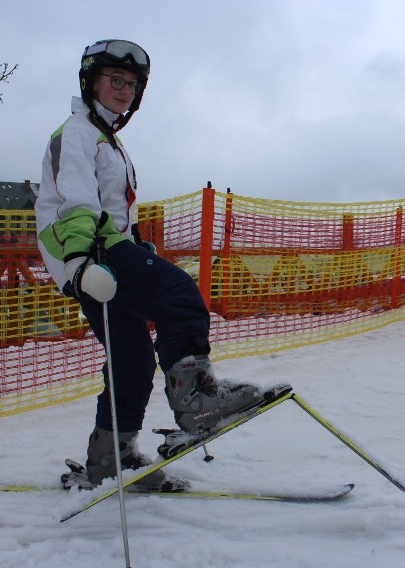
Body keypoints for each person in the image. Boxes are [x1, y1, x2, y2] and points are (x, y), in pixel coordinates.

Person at [34, 39, 289, 490]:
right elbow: (73, 203)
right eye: (115, 80)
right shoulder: (75, 134)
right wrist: (78, 261)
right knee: (179, 294)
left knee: (131, 362)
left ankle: (110, 460)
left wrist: (136, 246)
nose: (125, 90)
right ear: (91, 81)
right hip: (92, 257)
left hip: (103, 255)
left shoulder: (109, 141)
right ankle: (197, 399)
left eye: (132, 84)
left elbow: (113, 209)